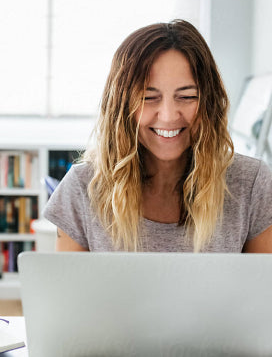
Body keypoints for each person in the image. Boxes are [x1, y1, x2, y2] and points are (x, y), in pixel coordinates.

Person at [43, 19, 272, 253]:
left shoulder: (251, 184)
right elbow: (68, 290)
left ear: (208, 103)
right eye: (148, 98)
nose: (169, 116)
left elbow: (263, 287)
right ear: (121, 107)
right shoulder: (82, 188)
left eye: (187, 96)